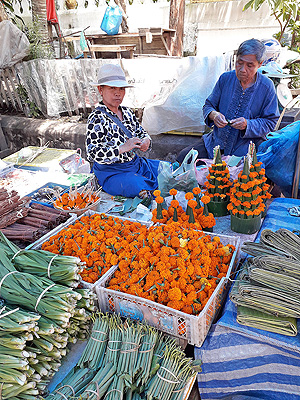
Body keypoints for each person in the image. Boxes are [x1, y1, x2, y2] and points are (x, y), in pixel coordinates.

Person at [177, 38, 280, 162]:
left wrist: (248, 124)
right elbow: (209, 105)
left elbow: (271, 122)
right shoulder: (225, 79)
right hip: (216, 142)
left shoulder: (266, 86)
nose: (242, 69)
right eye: (239, 63)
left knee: (242, 176)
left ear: (260, 64)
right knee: (184, 158)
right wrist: (214, 115)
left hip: (246, 148)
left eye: (250, 65)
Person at [86, 63, 160, 198]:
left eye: (121, 89)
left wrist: (146, 141)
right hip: (112, 172)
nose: (117, 93)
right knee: (139, 187)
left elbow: (140, 132)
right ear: (100, 90)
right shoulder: (96, 118)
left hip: (136, 165)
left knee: (165, 169)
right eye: (112, 88)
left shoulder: (127, 112)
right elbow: (93, 153)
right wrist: (121, 148)